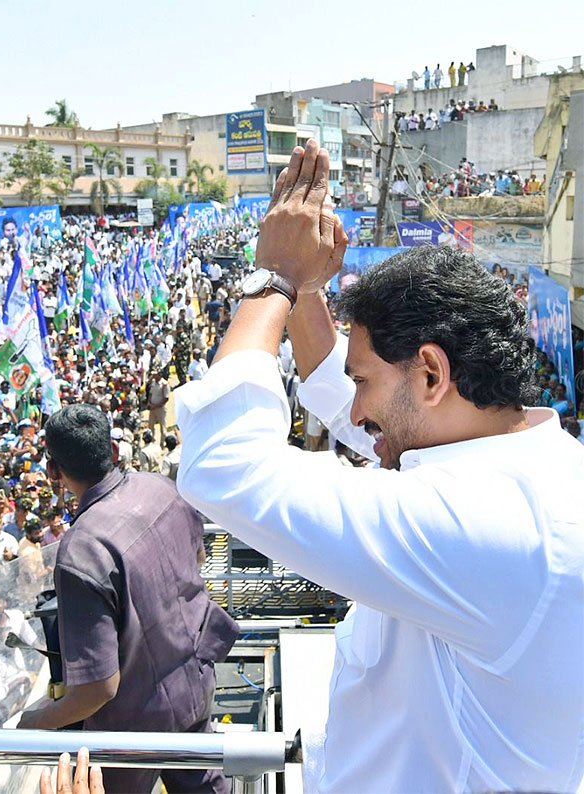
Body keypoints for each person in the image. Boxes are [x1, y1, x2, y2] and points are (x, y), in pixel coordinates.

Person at [175, 140, 584, 792]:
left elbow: (222, 462)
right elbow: (347, 405)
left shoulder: (487, 524)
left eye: (365, 378)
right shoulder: (522, 465)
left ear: (430, 374)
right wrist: (308, 291)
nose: (355, 408)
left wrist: (273, 276)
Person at [17, 403, 237, 793]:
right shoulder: (162, 487)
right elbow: (198, 557)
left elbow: (97, 689)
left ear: (53, 472)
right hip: (194, 679)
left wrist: (36, 722)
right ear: (113, 451)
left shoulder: (82, 551)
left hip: (134, 730)